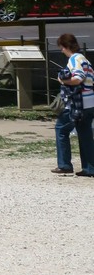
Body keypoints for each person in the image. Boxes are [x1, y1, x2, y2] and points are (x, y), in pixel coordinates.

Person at [52, 33, 94, 177]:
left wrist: (63, 81)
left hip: (77, 104)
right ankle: (90, 168)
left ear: (65, 46)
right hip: (90, 102)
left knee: (61, 129)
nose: (61, 51)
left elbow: (78, 78)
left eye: (62, 48)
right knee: (85, 134)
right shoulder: (85, 59)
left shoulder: (74, 59)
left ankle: (64, 165)